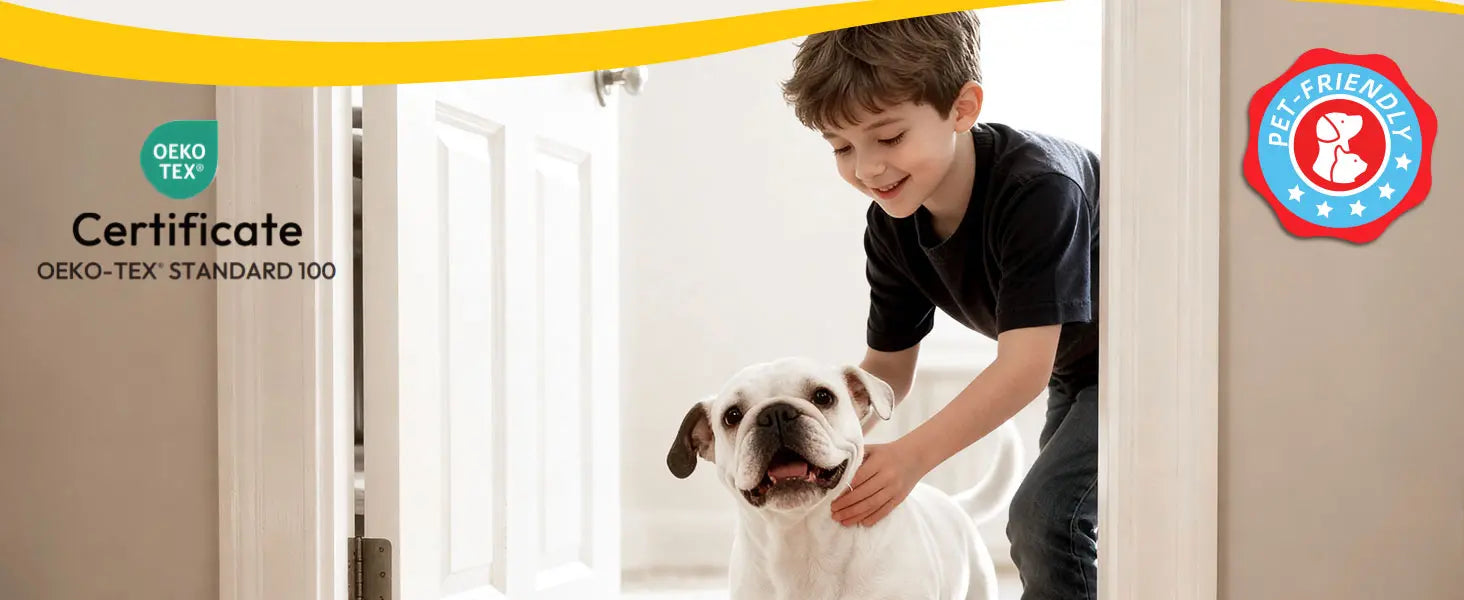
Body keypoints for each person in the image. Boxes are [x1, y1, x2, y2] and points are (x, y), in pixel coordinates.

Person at [779, 11, 1101, 600]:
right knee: (1051, 524)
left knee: (1045, 517)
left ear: (962, 108)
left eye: (889, 136)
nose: (868, 167)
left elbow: (1022, 367)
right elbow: (887, 373)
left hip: (1145, 365)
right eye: (842, 147)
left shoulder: (1040, 189)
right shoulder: (891, 223)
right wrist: (818, 443)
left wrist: (910, 459)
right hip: (1076, 370)